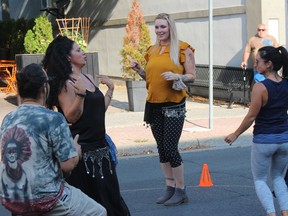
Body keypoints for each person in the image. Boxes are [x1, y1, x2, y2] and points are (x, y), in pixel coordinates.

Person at [0, 63, 106, 215]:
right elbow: (68, 166)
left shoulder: (8, 119)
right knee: (99, 212)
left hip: (12, 197)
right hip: (45, 197)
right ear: (44, 88)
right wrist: (76, 152)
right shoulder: (53, 118)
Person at [42, 35, 130, 216]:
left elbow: (97, 112)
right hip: (84, 152)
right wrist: (81, 95)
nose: (83, 53)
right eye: (78, 50)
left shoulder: (87, 78)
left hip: (102, 149)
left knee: (111, 197)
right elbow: (71, 117)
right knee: (94, 201)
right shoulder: (66, 83)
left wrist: (110, 91)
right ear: (68, 57)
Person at [130, 13, 196, 206]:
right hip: (154, 103)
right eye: (157, 27)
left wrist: (178, 76)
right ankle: (169, 188)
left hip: (173, 104)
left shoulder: (183, 48)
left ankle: (181, 190)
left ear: (170, 28)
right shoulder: (152, 50)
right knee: (161, 149)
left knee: (170, 147)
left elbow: (192, 75)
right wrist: (139, 71)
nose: (159, 31)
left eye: (163, 27)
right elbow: (151, 79)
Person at [224, 46, 288, 216]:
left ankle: (271, 213)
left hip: (264, 140)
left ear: (269, 64)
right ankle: (285, 212)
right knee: (278, 178)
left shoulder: (260, 87)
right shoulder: (286, 84)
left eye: (258, 61)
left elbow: (251, 116)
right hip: (284, 139)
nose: (255, 64)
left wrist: (235, 134)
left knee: (260, 180)